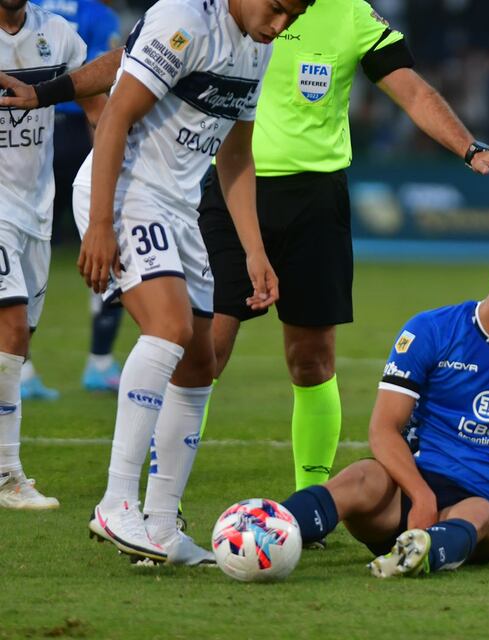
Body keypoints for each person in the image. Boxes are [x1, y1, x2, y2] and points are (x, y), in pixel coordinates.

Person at [196, 0, 489, 495]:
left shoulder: (352, 14)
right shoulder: (236, 5)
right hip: (231, 187)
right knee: (208, 346)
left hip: (315, 202)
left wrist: (471, 149)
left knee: (311, 358)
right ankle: (163, 485)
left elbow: (413, 91)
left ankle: (308, 497)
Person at [70, 0, 310, 565]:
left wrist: (255, 251)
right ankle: (115, 502)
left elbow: (236, 158)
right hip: (127, 193)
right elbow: (116, 119)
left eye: (293, 18)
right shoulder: (184, 20)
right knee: (170, 329)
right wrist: (101, 223)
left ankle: (160, 524)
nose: (280, 25)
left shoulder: (259, 45)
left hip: (181, 209)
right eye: (277, 8)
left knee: (200, 363)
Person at [275, 229, 489, 577]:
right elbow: (384, 429)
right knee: (362, 475)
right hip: (404, 497)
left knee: (481, 515)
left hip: (481, 505)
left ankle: (421, 555)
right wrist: (421, 495)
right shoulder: (432, 330)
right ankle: (271, 527)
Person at [0, 0, 104, 508]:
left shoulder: (59, 35)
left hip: (36, 209)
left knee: (15, 348)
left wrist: (116, 169)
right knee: (11, 328)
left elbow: (96, 105)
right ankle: (7, 477)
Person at [38, 0, 124, 393]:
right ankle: (100, 361)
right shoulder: (97, 14)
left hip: (32, 133)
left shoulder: (30, 10)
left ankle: (17, 368)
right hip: (78, 134)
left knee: (27, 249)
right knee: (109, 249)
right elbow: (103, 89)